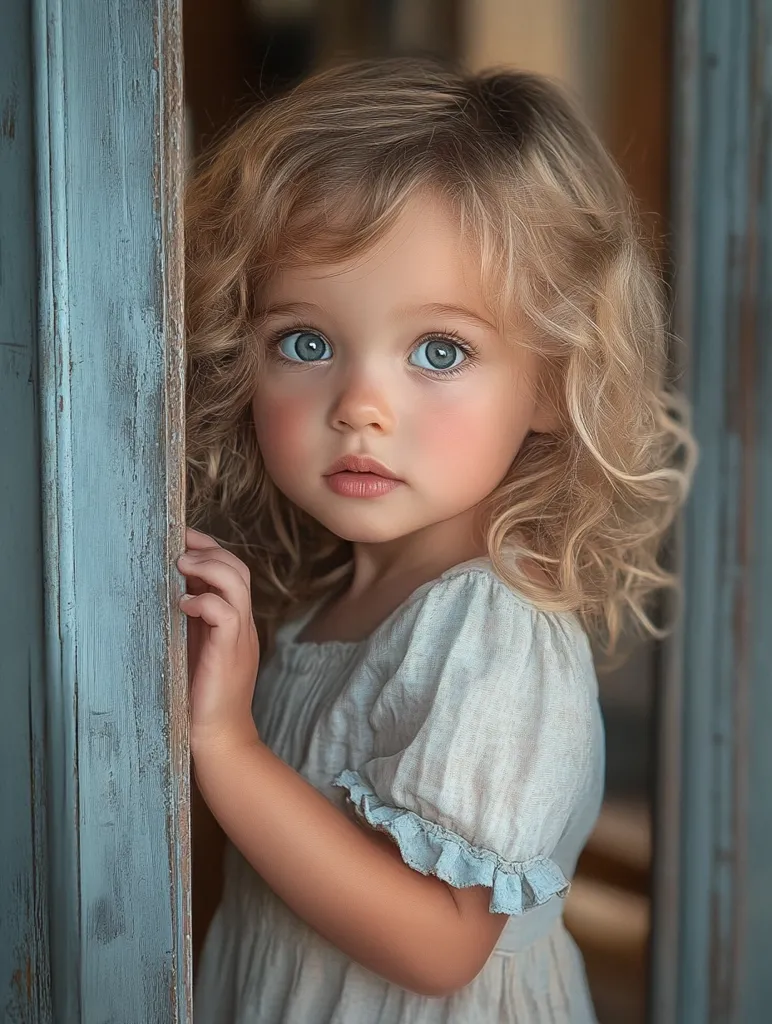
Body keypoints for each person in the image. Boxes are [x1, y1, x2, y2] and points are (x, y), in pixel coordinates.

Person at [178, 57, 695, 1023]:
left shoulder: (491, 629)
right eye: (305, 341)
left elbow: (438, 944)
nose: (363, 406)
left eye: (441, 351)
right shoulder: (334, 607)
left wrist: (227, 743)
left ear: (551, 381)